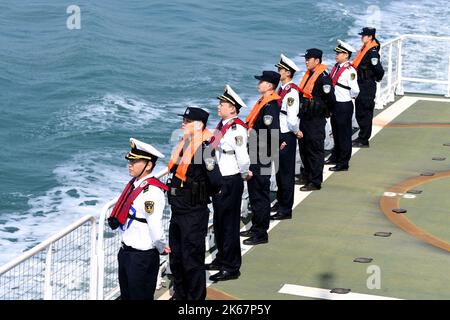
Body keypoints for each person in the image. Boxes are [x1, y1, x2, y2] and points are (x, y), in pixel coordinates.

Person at [167, 107, 222, 300]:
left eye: (187, 121)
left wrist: (198, 193)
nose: (182, 124)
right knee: (176, 257)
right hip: (178, 210)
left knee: (192, 260)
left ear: (198, 125)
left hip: (193, 212)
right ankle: (180, 295)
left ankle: (195, 300)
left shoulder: (204, 149)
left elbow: (216, 181)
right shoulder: (185, 143)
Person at [108, 137, 170, 300]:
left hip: (142, 258)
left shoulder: (152, 192)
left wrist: (161, 247)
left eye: (135, 161)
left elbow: (155, 226)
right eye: (130, 160)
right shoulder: (135, 185)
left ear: (148, 165)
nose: (130, 164)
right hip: (126, 253)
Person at [207, 85, 251, 282]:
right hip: (220, 179)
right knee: (219, 222)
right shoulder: (222, 125)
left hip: (230, 179)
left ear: (232, 108)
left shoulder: (236, 129)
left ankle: (231, 267)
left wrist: (243, 175)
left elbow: (243, 158)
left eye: (222, 104)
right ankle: (222, 258)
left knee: (229, 225)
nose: (219, 106)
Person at [240, 71, 280, 245]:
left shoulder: (270, 105)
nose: (259, 84)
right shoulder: (264, 102)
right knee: (255, 192)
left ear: (270, 86)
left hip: (261, 151)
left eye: (262, 82)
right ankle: (256, 227)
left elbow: (272, 131)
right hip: (258, 149)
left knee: (259, 194)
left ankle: (261, 233)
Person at [298, 49, 336, 191]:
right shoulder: (309, 75)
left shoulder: (323, 77)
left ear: (317, 61)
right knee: (305, 149)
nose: (306, 61)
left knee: (315, 150)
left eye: (309, 58)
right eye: (306, 58)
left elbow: (331, 99)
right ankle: (307, 176)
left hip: (315, 120)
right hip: (305, 118)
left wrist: (323, 111)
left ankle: (315, 181)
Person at [271, 54, 301, 220]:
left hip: (286, 134)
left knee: (286, 174)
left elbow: (291, 117)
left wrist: (296, 131)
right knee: (279, 172)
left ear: (288, 73)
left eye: (280, 70)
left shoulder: (291, 93)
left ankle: (285, 209)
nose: (278, 72)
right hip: (280, 133)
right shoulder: (282, 90)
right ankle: (281, 201)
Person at [327, 40, 360, 171]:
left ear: (346, 55)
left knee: (344, 134)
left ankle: (343, 162)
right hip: (335, 104)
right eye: (337, 53)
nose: (337, 55)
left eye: (339, 53)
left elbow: (355, 90)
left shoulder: (350, 71)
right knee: (335, 132)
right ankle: (335, 155)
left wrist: (348, 97)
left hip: (344, 105)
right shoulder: (336, 67)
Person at [352, 27, 385, 148]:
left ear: (370, 37)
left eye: (364, 35)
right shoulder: (365, 49)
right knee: (360, 111)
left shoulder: (372, 52)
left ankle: (364, 139)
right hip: (361, 83)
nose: (362, 37)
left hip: (366, 85)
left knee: (365, 112)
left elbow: (379, 70)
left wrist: (376, 78)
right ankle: (361, 137)